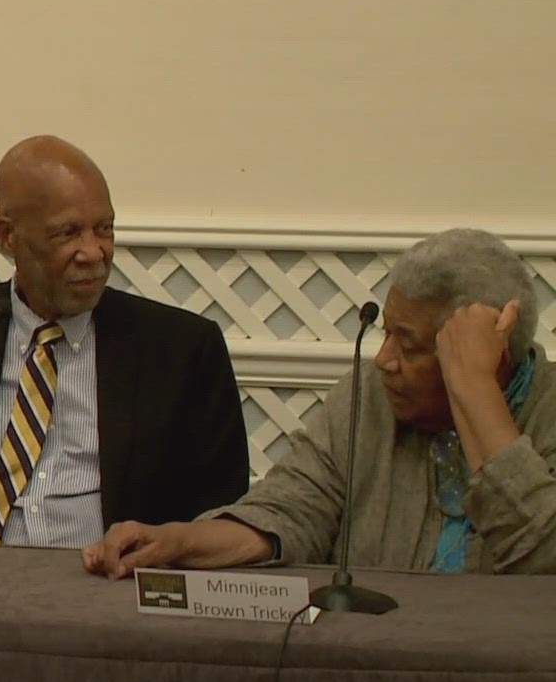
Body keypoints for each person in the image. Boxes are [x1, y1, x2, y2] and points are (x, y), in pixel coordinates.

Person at [85, 228, 555, 577]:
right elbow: (289, 511)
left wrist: (474, 391)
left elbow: (543, 557)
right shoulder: (367, 397)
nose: (385, 360)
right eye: (386, 333)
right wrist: (174, 541)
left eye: (409, 346)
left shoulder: (546, 407)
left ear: (490, 355)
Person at [0, 135, 248, 546]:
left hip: (114, 587)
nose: (94, 253)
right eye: (67, 233)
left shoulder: (184, 350)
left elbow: (219, 520)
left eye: (105, 229)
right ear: (7, 237)